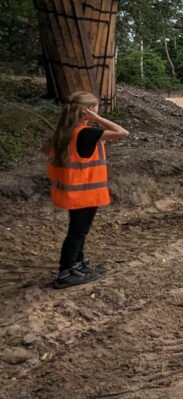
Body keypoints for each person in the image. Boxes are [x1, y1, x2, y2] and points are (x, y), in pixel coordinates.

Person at [46, 92, 129, 289]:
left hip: (71, 192)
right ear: (89, 111)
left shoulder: (65, 132)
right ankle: (65, 273)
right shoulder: (86, 133)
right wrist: (98, 120)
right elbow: (122, 132)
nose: (98, 110)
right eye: (96, 108)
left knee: (78, 231)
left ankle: (77, 264)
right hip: (85, 194)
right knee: (77, 233)